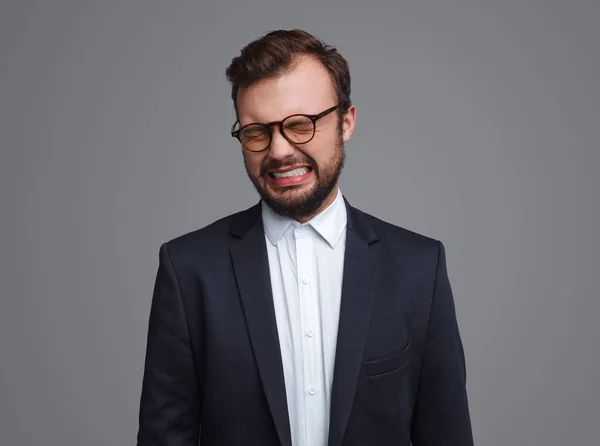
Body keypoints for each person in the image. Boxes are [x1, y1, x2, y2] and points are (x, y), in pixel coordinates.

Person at [137, 29, 473, 446]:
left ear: (346, 122)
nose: (278, 151)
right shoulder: (188, 269)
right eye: (257, 131)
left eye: (300, 125)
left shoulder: (420, 267)